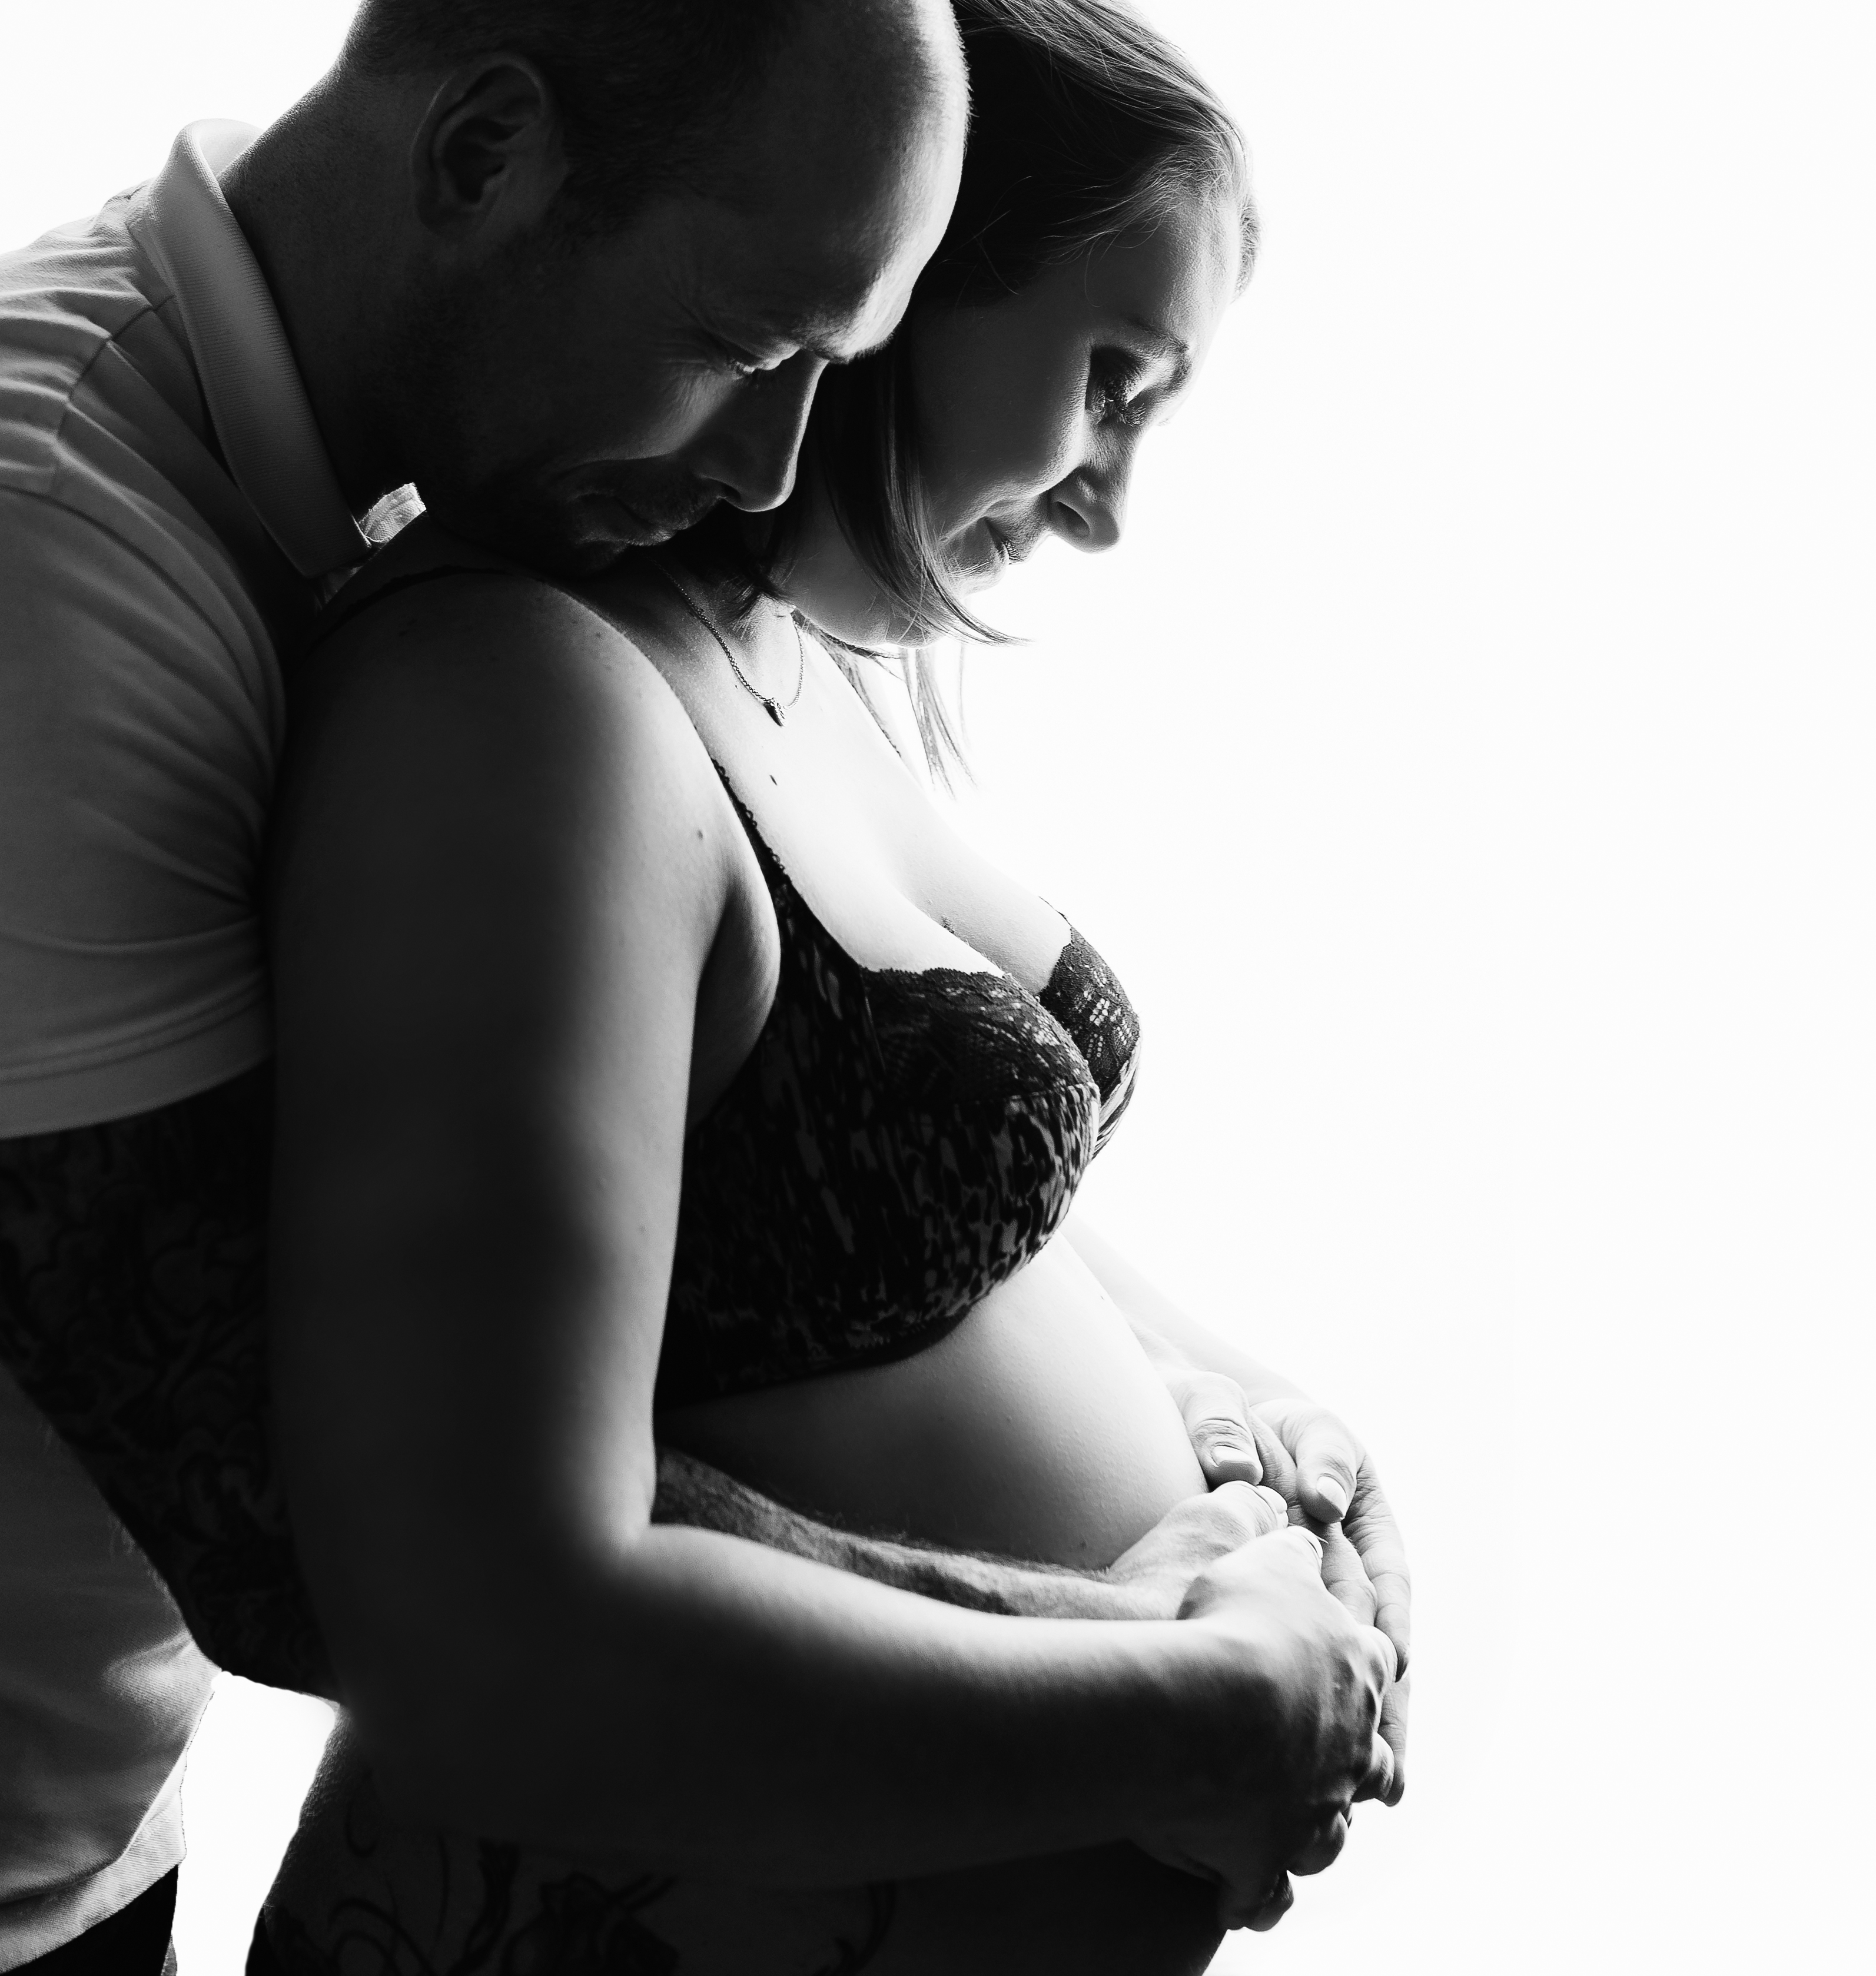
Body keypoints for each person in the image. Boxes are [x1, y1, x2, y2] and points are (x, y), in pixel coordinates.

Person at [248, 3, 1403, 1970]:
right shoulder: (523, 703)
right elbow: (492, 1615)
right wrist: (1206, 1697)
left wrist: (1266, 1426)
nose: (1109, 500)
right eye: (1110, 381)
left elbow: (910, 1229)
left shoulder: (797, 663)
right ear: (904, 258)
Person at [0, 2, 969, 1965]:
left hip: (48, 1840)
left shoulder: (327, 504)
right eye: (745, 349)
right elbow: (336, 1531)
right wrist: (1151, 1663)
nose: (773, 466)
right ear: (481, 157)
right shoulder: (3, 535)